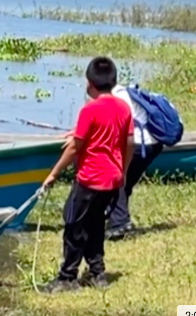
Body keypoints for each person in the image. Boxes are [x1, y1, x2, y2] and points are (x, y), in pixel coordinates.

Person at [41, 56, 134, 293]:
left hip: (89, 178)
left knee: (74, 225)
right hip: (111, 179)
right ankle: (97, 273)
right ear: (113, 82)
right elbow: (129, 143)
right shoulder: (123, 108)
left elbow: (75, 147)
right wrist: (122, 171)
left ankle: (67, 277)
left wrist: (53, 174)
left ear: (89, 83)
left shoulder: (89, 110)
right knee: (96, 225)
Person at [104, 83, 165, 239]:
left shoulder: (114, 99)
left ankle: (120, 224)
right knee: (126, 182)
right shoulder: (129, 92)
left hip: (138, 144)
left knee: (116, 179)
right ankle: (113, 215)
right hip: (155, 143)